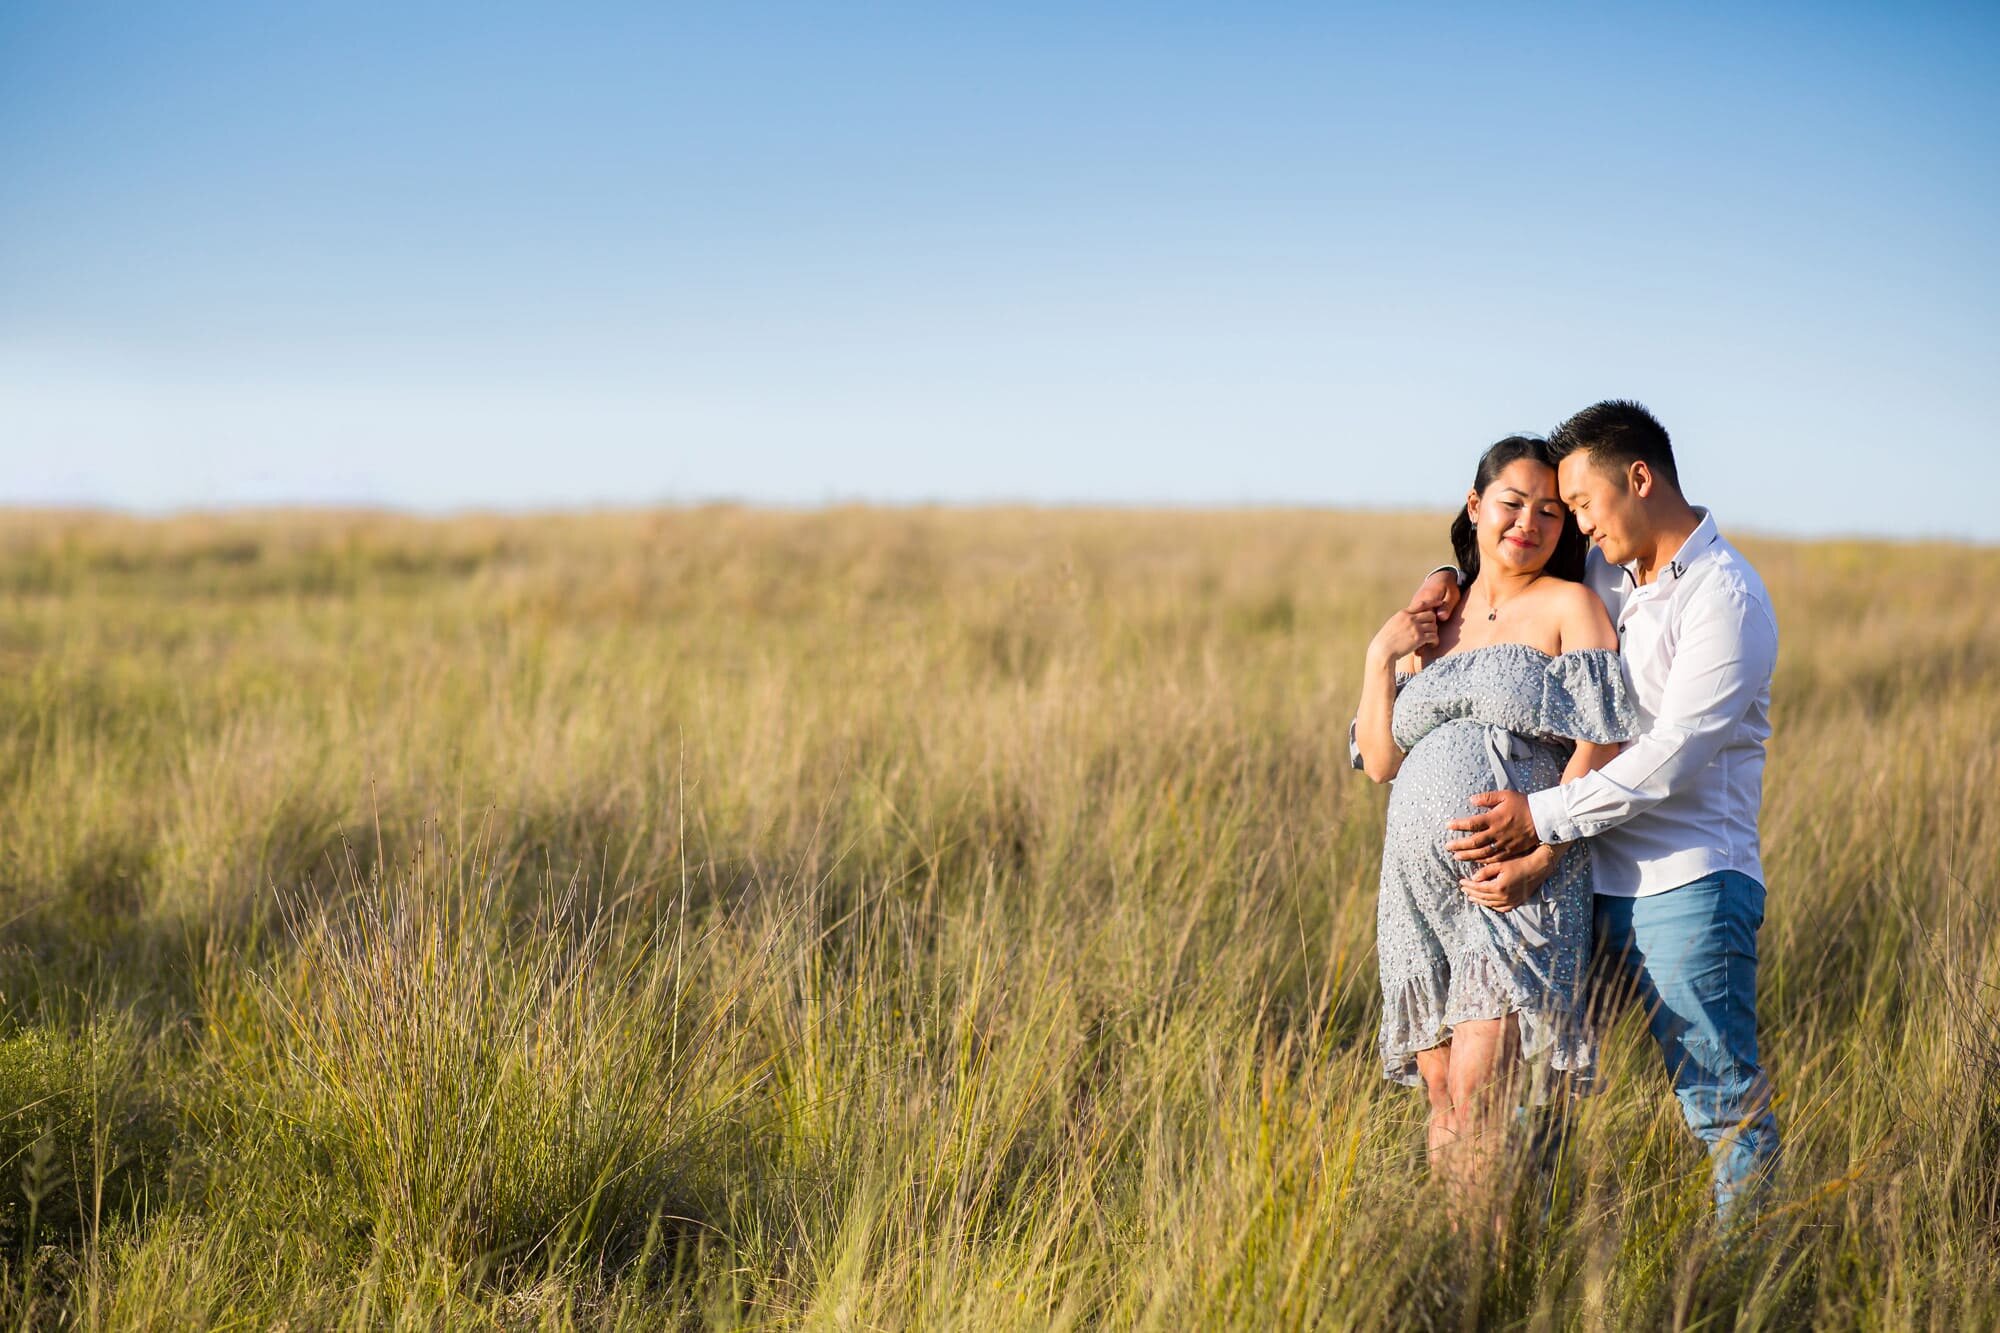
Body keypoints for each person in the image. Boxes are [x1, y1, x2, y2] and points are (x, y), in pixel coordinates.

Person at [1419, 400, 1782, 1220]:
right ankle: (1526, 1263)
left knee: (1720, 1105)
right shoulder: (1609, 574)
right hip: (1583, 886)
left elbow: (1667, 758)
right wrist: (1445, 580)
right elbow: (1510, 594)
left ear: (1640, 479)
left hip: (1682, 886)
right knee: (1542, 1095)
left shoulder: (1726, 599)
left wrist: (1541, 820)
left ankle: (1750, 1283)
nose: (1574, 523)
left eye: (1581, 503)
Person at [1351, 435, 1638, 1200]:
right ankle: (1468, 1269)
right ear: (1475, 505)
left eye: (1551, 511)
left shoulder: (1569, 604)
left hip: (1513, 880)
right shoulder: (1431, 619)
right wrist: (1381, 654)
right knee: (1445, 1094)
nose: (1530, 522)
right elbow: (1380, 761)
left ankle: (1486, 1277)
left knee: (1482, 1097)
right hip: (1414, 896)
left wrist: (1543, 846)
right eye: (1512, 503)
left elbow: (1604, 742)